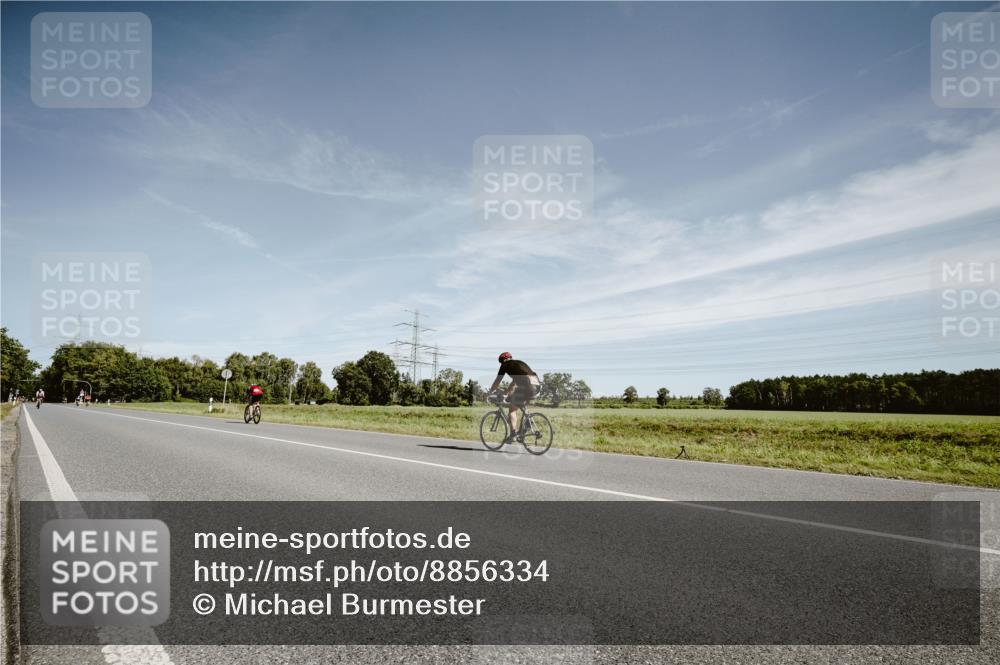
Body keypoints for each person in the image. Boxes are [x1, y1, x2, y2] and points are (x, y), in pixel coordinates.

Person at [488, 352, 540, 443]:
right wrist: (507, 392)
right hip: (537, 386)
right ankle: (526, 425)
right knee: (523, 406)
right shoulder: (518, 364)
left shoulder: (505, 365)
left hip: (527, 385)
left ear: (502, 361)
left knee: (512, 409)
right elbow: (514, 382)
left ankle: (513, 436)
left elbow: (497, 381)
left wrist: (489, 393)